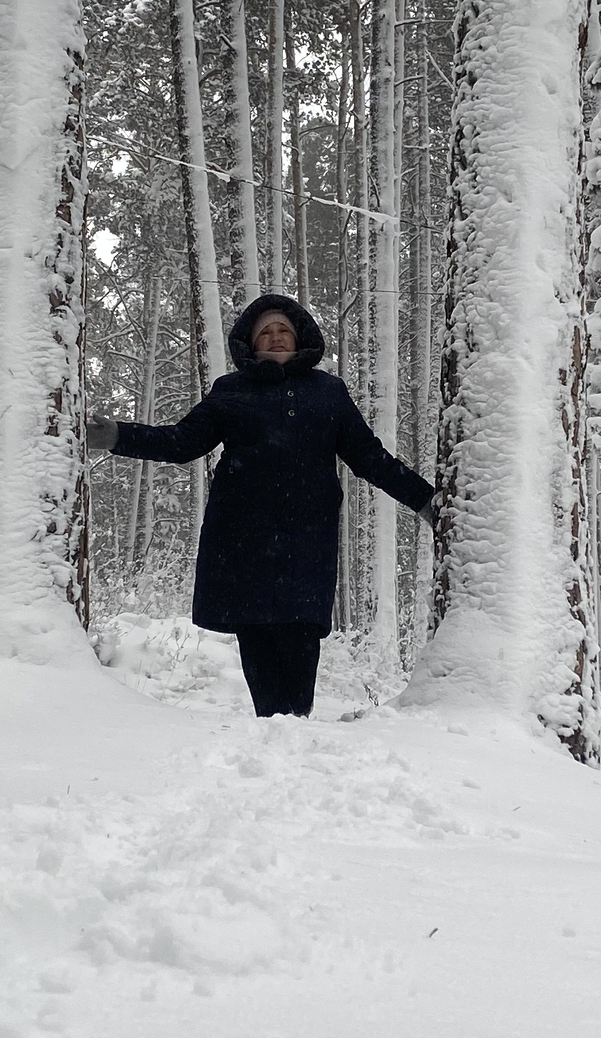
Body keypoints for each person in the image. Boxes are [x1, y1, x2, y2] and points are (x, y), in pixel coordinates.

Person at [87, 293, 433, 719]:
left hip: (308, 541)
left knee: (302, 635)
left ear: (300, 336)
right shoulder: (231, 392)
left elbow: (371, 458)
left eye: (282, 330)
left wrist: (424, 500)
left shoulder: (329, 393)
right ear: (250, 344)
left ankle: (295, 729)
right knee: (259, 639)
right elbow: (181, 443)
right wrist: (118, 436)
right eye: (264, 332)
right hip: (243, 543)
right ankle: (273, 733)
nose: (274, 337)